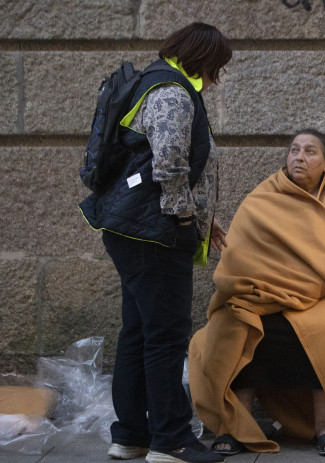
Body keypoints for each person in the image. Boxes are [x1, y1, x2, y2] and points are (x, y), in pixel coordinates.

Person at [187, 129, 325, 457]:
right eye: (294, 150)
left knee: (324, 328)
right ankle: (237, 425)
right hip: (268, 294)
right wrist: (279, 283)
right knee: (238, 321)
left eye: (310, 152)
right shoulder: (264, 197)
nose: (299, 157)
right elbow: (240, 255)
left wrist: (311, 279)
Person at [78, 23, 232, 463]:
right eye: (216, 64)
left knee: (140, 332)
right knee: (165, 336)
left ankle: (130, 436)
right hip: (154, 233)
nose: (216, 74)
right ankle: (171, 440)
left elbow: (151, 164)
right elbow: (168, 164)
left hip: (134, 227)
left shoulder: (151, 82)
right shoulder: (171, 91)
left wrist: (206, 216)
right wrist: (185, 215)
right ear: (202, 57)